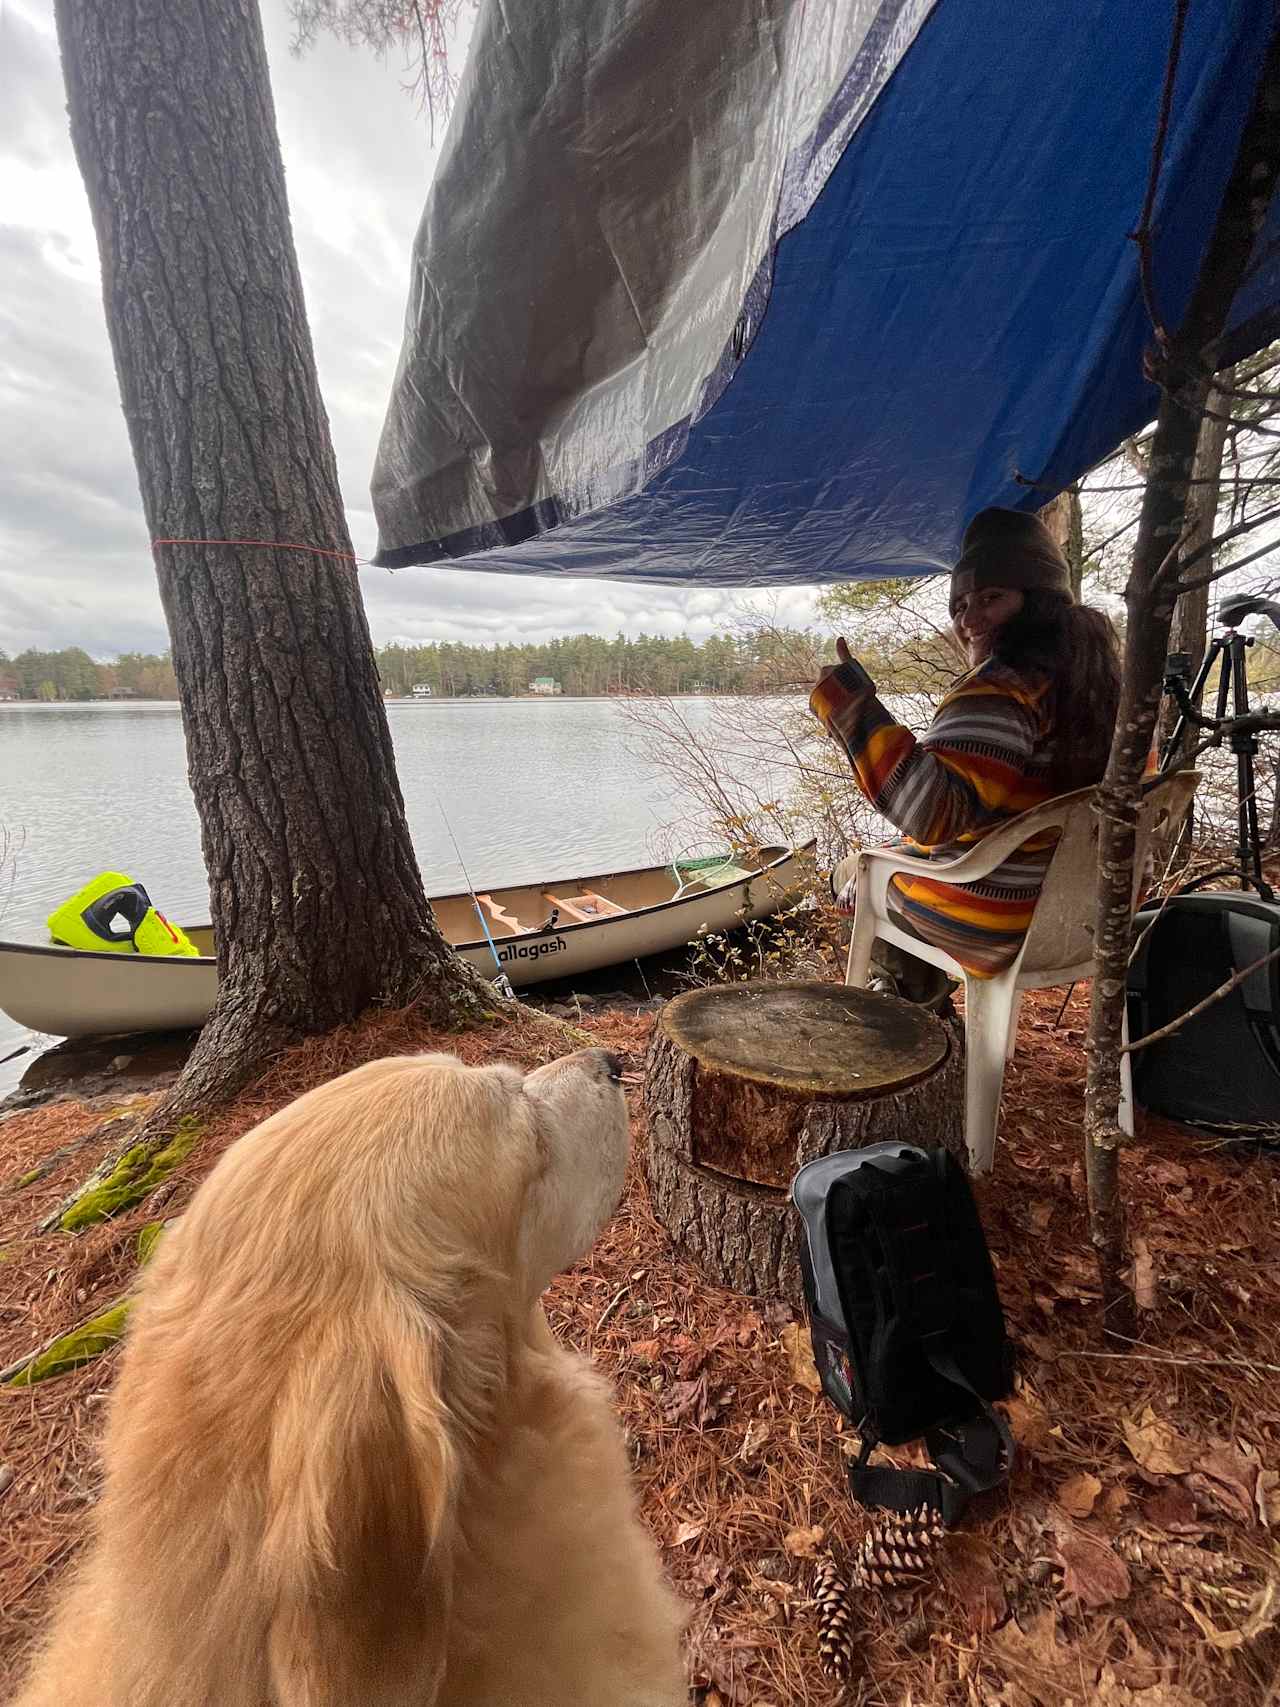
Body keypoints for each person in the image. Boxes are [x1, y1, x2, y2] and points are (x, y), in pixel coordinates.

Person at [810, 506, 1122, 998]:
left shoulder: (1003, 688)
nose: (969, 619)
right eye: (960, 606)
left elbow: (933, 815)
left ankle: (904, 1017)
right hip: (1091, 916)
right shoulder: (1110, 688)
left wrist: (852, 709)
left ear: (1038, 600)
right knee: (887, 856)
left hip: (999, 920)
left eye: (991, 598)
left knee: (854, 871)